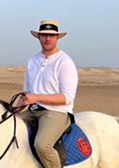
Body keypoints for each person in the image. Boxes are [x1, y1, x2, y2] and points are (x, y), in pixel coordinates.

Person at [15, 20, 78, 168]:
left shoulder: (64, 62)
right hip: (33, 111)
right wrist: (13, 111)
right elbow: (27, 93)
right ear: (39, 37)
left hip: (56, 112)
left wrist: (36, 97)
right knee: (6, 130)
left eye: (51, 35)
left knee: (42, 145)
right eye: (44, 35)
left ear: (57, 38)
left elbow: (67, 97)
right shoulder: (32, 60)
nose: (47, 39)